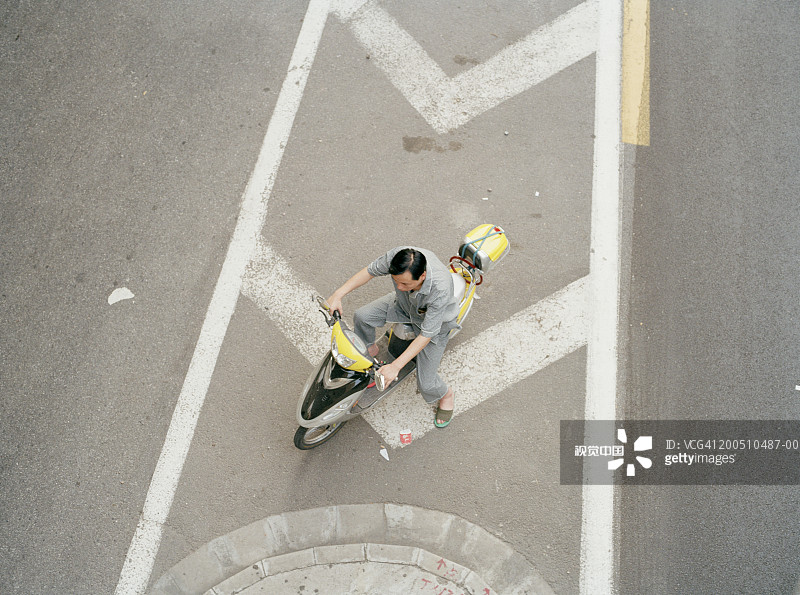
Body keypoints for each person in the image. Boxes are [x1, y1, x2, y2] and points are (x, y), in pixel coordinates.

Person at [327, 246, 459, 427]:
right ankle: (370, 349)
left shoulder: (439, 288)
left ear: (422, 276)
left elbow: (427, 334)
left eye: (405, 284)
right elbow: (368, 272)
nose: (399, 287)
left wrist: (395, 367)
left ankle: (445, 394)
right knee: (362, 316)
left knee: (427, 384)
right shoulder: (399, 258)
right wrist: (337, 295)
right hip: (404, 306)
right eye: (396, 281)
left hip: (435, 325)